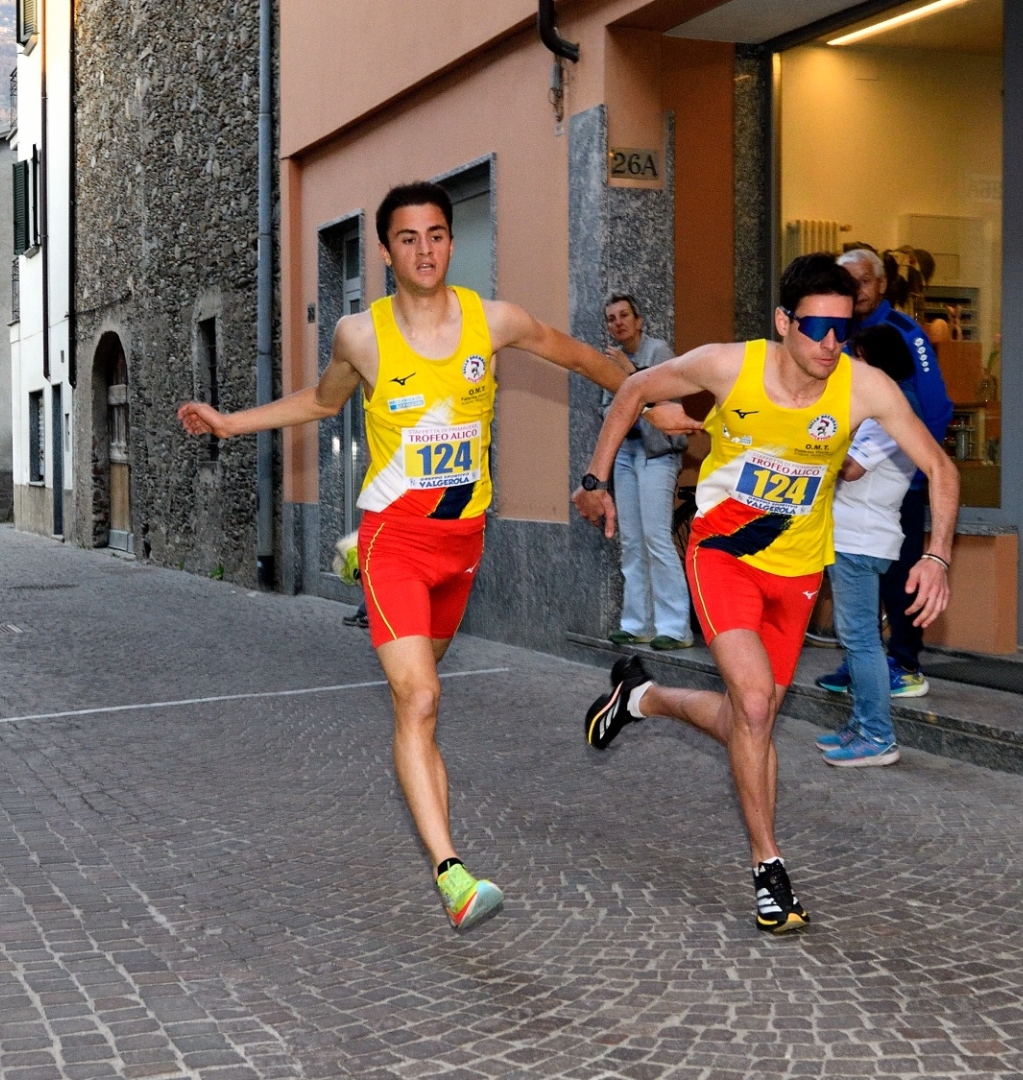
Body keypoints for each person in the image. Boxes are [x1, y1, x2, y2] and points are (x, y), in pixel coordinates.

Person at [176, 181, 668, 932]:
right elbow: (319, 401)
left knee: (425, 698)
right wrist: (229, 424)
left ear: (451, 241)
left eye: (437, 234)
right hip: (395, 539)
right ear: (385, 251)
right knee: (421, 698)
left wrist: (659, 396)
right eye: (409, 238)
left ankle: (434, 821)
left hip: (462, 543)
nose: (426, 249)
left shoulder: (493, 320)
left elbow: (588, 361)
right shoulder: (361, 336)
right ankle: (452, 873)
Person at [574, 254, 959, 932]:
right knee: (754, 704)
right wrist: (595, 478)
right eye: (816, 328)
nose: (830, 344)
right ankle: (768, 869)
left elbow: (940, 466)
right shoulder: (730, 366)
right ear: (785, 322)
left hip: (799, 572)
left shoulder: (863, 388)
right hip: (722, 551)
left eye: (843, 329)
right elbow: (634, 388)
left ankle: (640, 697)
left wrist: (937, 554)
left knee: (749, 720)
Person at [838, 247, 952, 698]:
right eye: (848, 283)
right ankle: (861, 664)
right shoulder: (838, 333)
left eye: (864, 281)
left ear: (882, 284)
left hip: (896, 478)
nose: (857, 291)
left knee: (900, 573)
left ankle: (904, 662)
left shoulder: (905, 332)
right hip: (852, 481)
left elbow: (935, 407)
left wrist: (919, 470)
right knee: (858, 575)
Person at [813, 324, 923, 766]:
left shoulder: (892, 410)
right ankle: (861, 725)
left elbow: (851, 468)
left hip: (862, 537)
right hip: (855, 535)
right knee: (858, 638)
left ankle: (877, 736)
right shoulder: (886, 408)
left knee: (861, 641)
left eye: (854, 356)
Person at [601, 293, 693, 651]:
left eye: (624, 315)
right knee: (632, 542)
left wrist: (628, 371)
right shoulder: (611, 358)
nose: (618, 322)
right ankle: (638, 623)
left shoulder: (658, 351)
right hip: (626, 454)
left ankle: (675, 628)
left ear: (639, 321)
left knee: (656, 539)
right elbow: (608, 408)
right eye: (611, 318)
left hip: (658, 455)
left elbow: (664, 397)